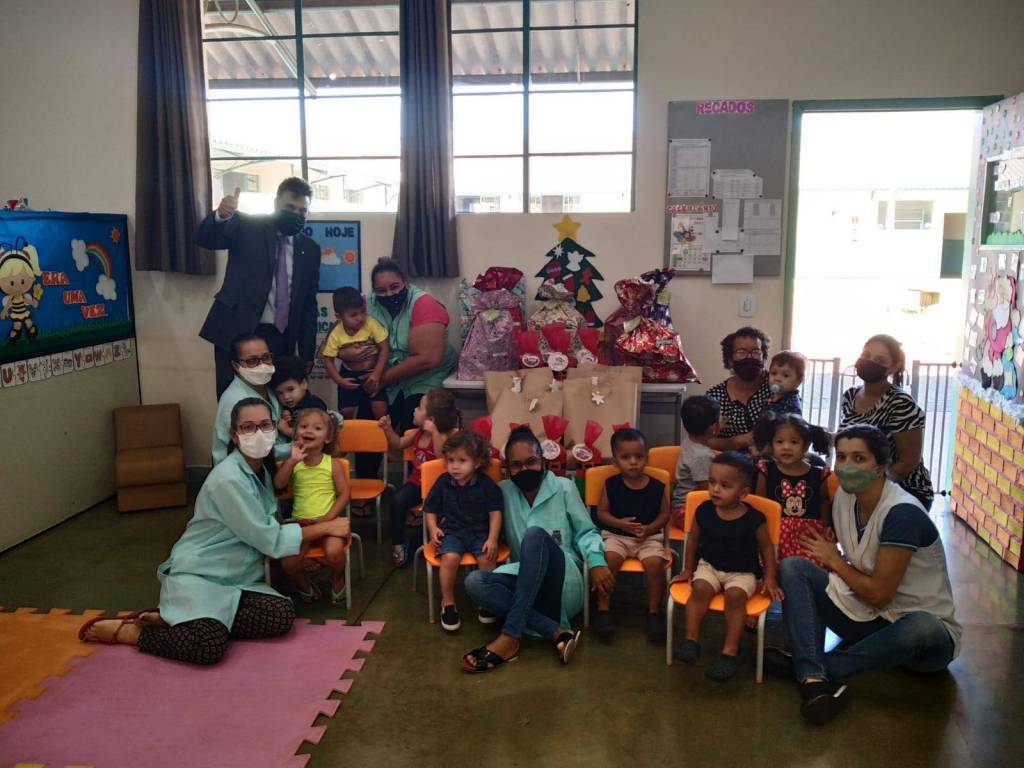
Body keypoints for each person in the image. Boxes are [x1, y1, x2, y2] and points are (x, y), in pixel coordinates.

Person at [78, 399, 350, 665]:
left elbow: (290, 458)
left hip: (237, 576)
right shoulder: (228, 479)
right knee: (208, 647)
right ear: (234, 434)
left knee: (281, 615)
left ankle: (181, 620)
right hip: (203, 572)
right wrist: (327, 526)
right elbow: (270, 539)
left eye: (266, 425)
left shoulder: (260, 468)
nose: (259, 433)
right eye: (248, 427)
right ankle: (136, 633)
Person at [777, 425, 960, 725]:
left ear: (881, 466)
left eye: (859, 458)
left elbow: (879, 594)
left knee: (923, 626)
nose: (847, 466)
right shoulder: (844, 498)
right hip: (868, 618)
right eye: (842, 457)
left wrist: (833, 559)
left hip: (918, 643)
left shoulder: (902, 513)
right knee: (794, 567)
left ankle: (813, 668)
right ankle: (812, 675)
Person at [460, 427, 613, 673]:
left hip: (563, 582)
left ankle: (509, 636)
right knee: (474, 582)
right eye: (516, 465)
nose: (525, 470)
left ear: (543, 461)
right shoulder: (503, 492)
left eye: (531, 462)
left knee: (534, 535)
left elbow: (586, 531)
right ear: (507, 469)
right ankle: (556, 632)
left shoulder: (564, 487)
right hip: (525, 582)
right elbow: (482, 525)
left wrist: (596, 561)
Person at [198, 178, 321, 398]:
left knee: (278, 401)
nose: (296, 214)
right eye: (290, 207)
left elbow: (308, 304)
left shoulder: (310, 249)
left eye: (302, 211)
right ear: (276, 203)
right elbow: (206, 239)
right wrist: (221, 216)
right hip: (237, 331)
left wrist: (306, 352)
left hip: (281, 338)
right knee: (234, 400)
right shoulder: (247, 226)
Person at [672, 452, 783, 682]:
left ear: (743, 493)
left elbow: (766, 549)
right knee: (699, 590)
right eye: (712, 482)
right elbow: (692, 541)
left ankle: (729, 652)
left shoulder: (754, 519)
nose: (715, 489)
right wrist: (688, 569)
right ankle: (691, 640)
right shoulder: (703, 510)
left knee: (735, 597)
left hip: (742, 572)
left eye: (725, 485)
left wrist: (770, 578)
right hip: (709, 566)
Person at [839, 334, 934, 509]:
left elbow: (909, 460)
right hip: (862, 487)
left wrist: (877, 490)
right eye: (866, 355)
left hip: (903, 492)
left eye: (880, 360)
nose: (869, 362)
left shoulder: (900, 403)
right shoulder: (850, 396)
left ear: (894, 367)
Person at [593, 427, 670, 642]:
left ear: (646, 457)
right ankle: (603, 608)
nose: (633, 462)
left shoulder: (657, 486)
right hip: (616, 536)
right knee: (609, 560)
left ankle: (654, 611)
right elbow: (601, 513)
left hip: (648, 538)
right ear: (615, 461)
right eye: (626, 457)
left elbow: (665, 514)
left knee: (655, 564)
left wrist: (650, 528)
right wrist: (620, 524)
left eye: (639, 456)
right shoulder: (611, 484)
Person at [365, 258, 458, 434]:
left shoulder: (424, 303)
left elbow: (427, 360)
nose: (389, 294)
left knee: (414, 424)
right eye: (381, 290)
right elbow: (345, 329)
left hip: (425, 377)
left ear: (405, 282)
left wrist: (381, 379)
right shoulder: (369, 302)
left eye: (394, 287)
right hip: (386, 376)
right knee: (368, 426)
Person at [423, 430, 503, 632]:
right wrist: (433, 528)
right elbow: (430, 509)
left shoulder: (486, 484)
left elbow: (495, 513)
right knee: (450, 558)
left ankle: (486, 600)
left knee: (487, 557)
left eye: (461, 460)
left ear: (477, 462)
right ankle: (448, 602)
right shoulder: (443, 482)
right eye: (450, 460)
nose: (454, 466)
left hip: (480, 532)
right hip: (452, 531)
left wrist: (493, 538)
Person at [274, 409, 350, 604]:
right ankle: (305, 584)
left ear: (328, 437)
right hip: (300, 523)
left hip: (329, 522)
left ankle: (337, 578)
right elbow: (279, 484)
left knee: (335, 553)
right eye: (303, 426)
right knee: (288, 563)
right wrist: (291, 461)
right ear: (295, 433)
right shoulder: (293, 463)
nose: (309, 431)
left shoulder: (332, 464)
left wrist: (328, 519)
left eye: (317, 428)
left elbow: (344, 495)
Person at [379, 388, 461, 567]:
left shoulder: (444, 436)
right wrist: (387, 429)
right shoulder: (417, 433)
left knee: (445, 511)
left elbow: (441, 458)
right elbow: (398, 443)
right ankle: (399, 543)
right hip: (417, 484)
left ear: (431, 419)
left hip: (441, 487)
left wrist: (435, 432)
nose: (414, 410)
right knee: (397, 501)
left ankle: (442, 542)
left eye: (420, 408)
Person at [753, 412, 832, 565]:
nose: (786, 447)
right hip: (773, 534)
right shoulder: (766, 470)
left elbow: (824, 501)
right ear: (772, 444)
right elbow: (760, 504)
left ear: (806, 445)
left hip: (807, 537)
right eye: (779, 441)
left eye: (794, 442)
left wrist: (827, 526)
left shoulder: (819, 474)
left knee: (809, 567)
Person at [212, 334, 290, 465]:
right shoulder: (235, 400)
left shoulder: (269, 388)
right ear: (236, 366)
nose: (262, 365)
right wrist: (298, 446)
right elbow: (256, 450)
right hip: (245, 469)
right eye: (252, 361)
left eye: (266, 357)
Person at [320, 286, 390, 421]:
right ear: (339, 317)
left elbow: (384, 348)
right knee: (346, 411)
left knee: (381, 410)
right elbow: (328, 359)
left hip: (372, 372)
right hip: (349, 374)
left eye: (362, 312)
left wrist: (377, 373)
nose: (360, 318)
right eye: (353, 315)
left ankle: (383, 434)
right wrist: (339, 380)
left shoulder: (371, 324)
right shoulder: (336, 333)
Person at [706, 326, 774, 453]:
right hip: (728, 462)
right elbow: (704, 441)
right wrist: (739, 441)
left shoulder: (777, 388)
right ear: (730, 360)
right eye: (742, 352)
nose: (750, 357)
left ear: (764, 357)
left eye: (756, 352)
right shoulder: (714, 397)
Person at [671, 395, 721, 527]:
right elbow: (707, 492)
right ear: (712, 428)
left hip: (680, 506)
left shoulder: (690, 439)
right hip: (686, 511)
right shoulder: (702, 457)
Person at [271, 355, 327, 440]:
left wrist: (287, 430)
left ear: (304, 384)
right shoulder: (283, 407)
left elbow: (314, 436)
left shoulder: (315, 405)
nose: (286, 397)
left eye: (290, 389)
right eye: (280, 393)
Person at [763, 350, 806, 418]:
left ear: (798, 381)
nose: (777, 379)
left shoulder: (792, 405)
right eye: (774, 373)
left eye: (785, 375)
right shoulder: (774, 395)